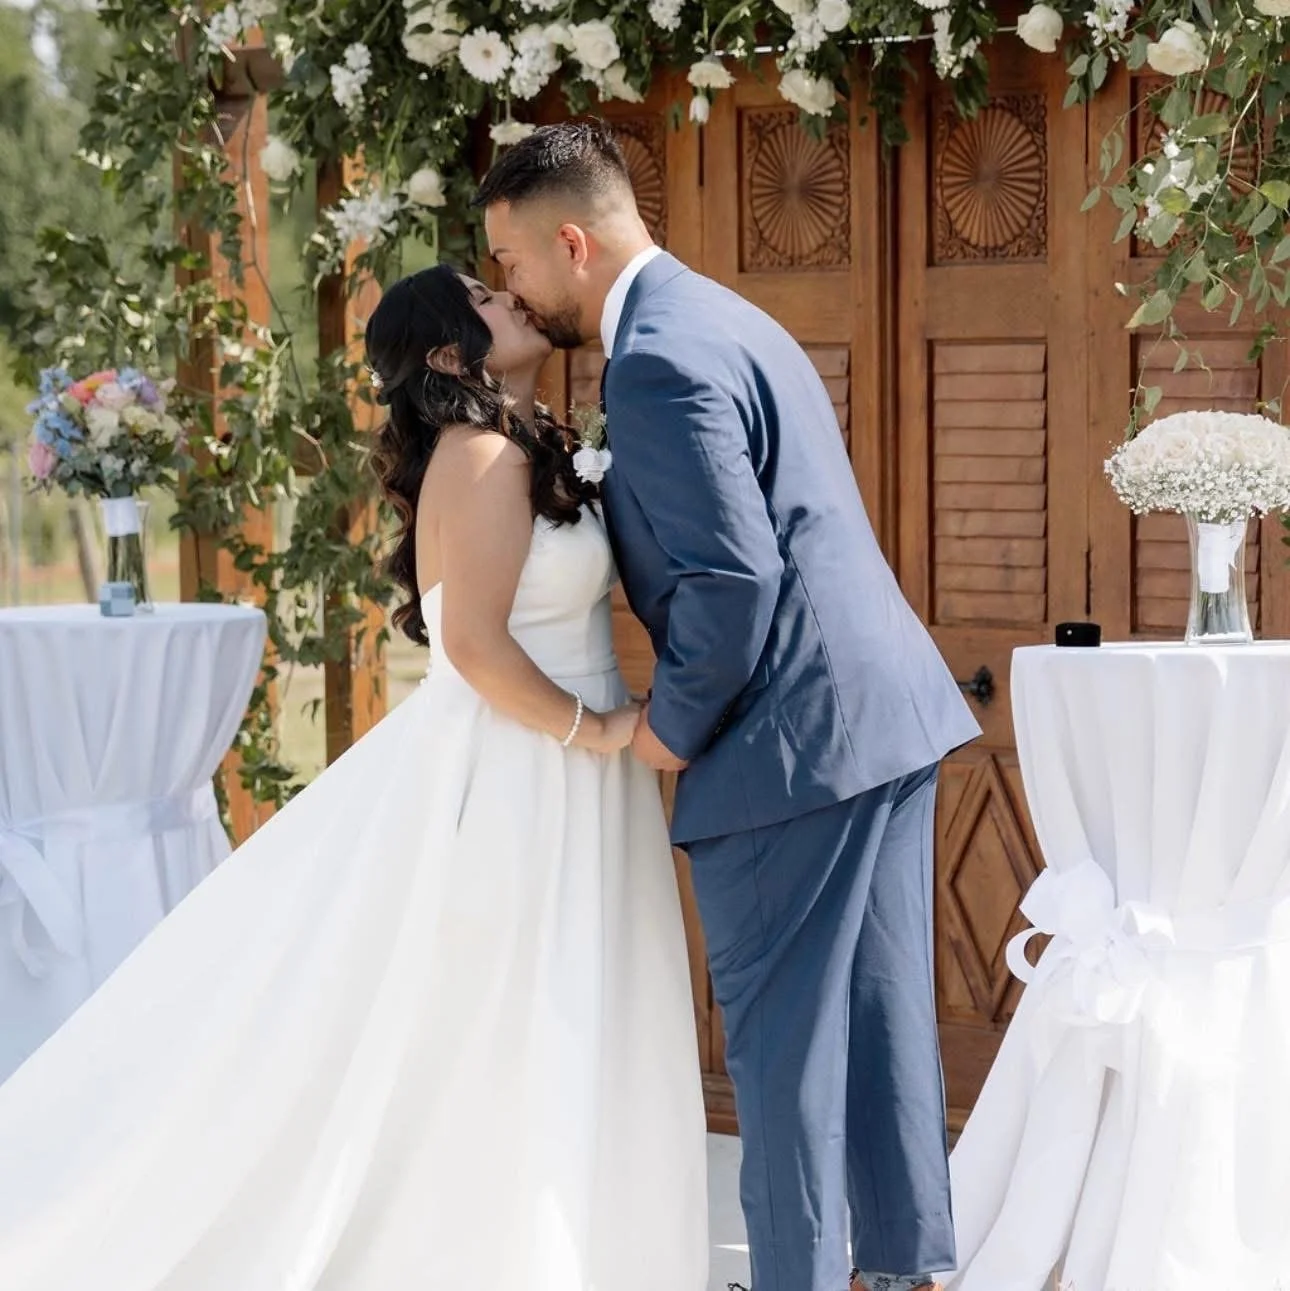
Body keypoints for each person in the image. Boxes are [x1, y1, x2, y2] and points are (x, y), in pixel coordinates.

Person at [0, 263, 708, 1291]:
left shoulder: (523, 441)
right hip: (525, 766)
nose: (512, 295)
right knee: (514, 1011)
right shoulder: (476, 455)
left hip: (563, 762)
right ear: (445, 353)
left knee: (570, 998)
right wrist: (596, 733)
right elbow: (470, 642)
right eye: (485, 295)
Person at [475, 119, 982, 1291]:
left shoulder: (652, 359)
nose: (509, 284)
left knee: (785, 1059)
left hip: (788, 749)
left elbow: (733, 577)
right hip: (881, 720)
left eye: (511, 261)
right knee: (885, 1028)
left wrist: (669, 724)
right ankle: (909, 1274)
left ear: (571, 240)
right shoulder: (723, 310)